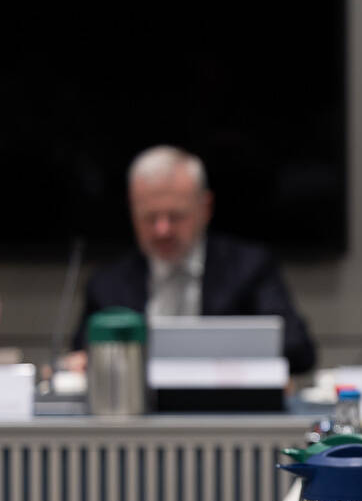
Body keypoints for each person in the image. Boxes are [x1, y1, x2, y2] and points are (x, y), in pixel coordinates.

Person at [68, 145, 317, 374]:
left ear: (205, 208)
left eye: (175, 216)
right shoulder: (107, 283)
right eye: (149, 217)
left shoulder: (249, 268)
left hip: (225, 411)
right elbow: (80, 355)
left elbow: (299, 350)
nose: (162, 230)